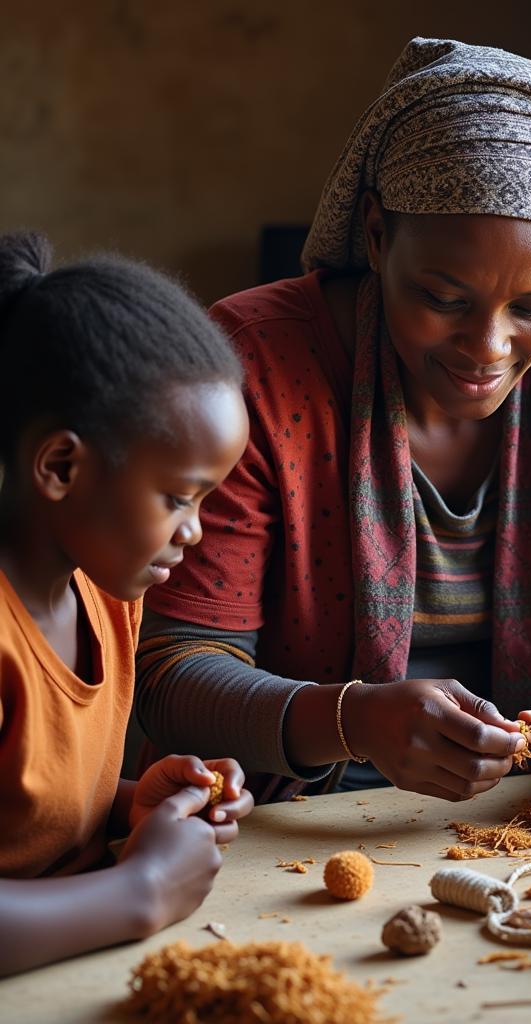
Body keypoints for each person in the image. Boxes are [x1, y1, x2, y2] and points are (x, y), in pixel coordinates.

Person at [135, 37, 531, 803]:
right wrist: (350, 720)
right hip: (300, 819)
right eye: (444, 299)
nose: (488, 349)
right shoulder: (253, 369)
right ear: (373, 234)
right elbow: (174, 674)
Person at [0, 232, 253, 976]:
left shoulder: (106, 592)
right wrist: (140, 890)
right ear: (61, 466)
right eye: (177, 497)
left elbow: (25, 806)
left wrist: (134, 802)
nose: (196, 530)